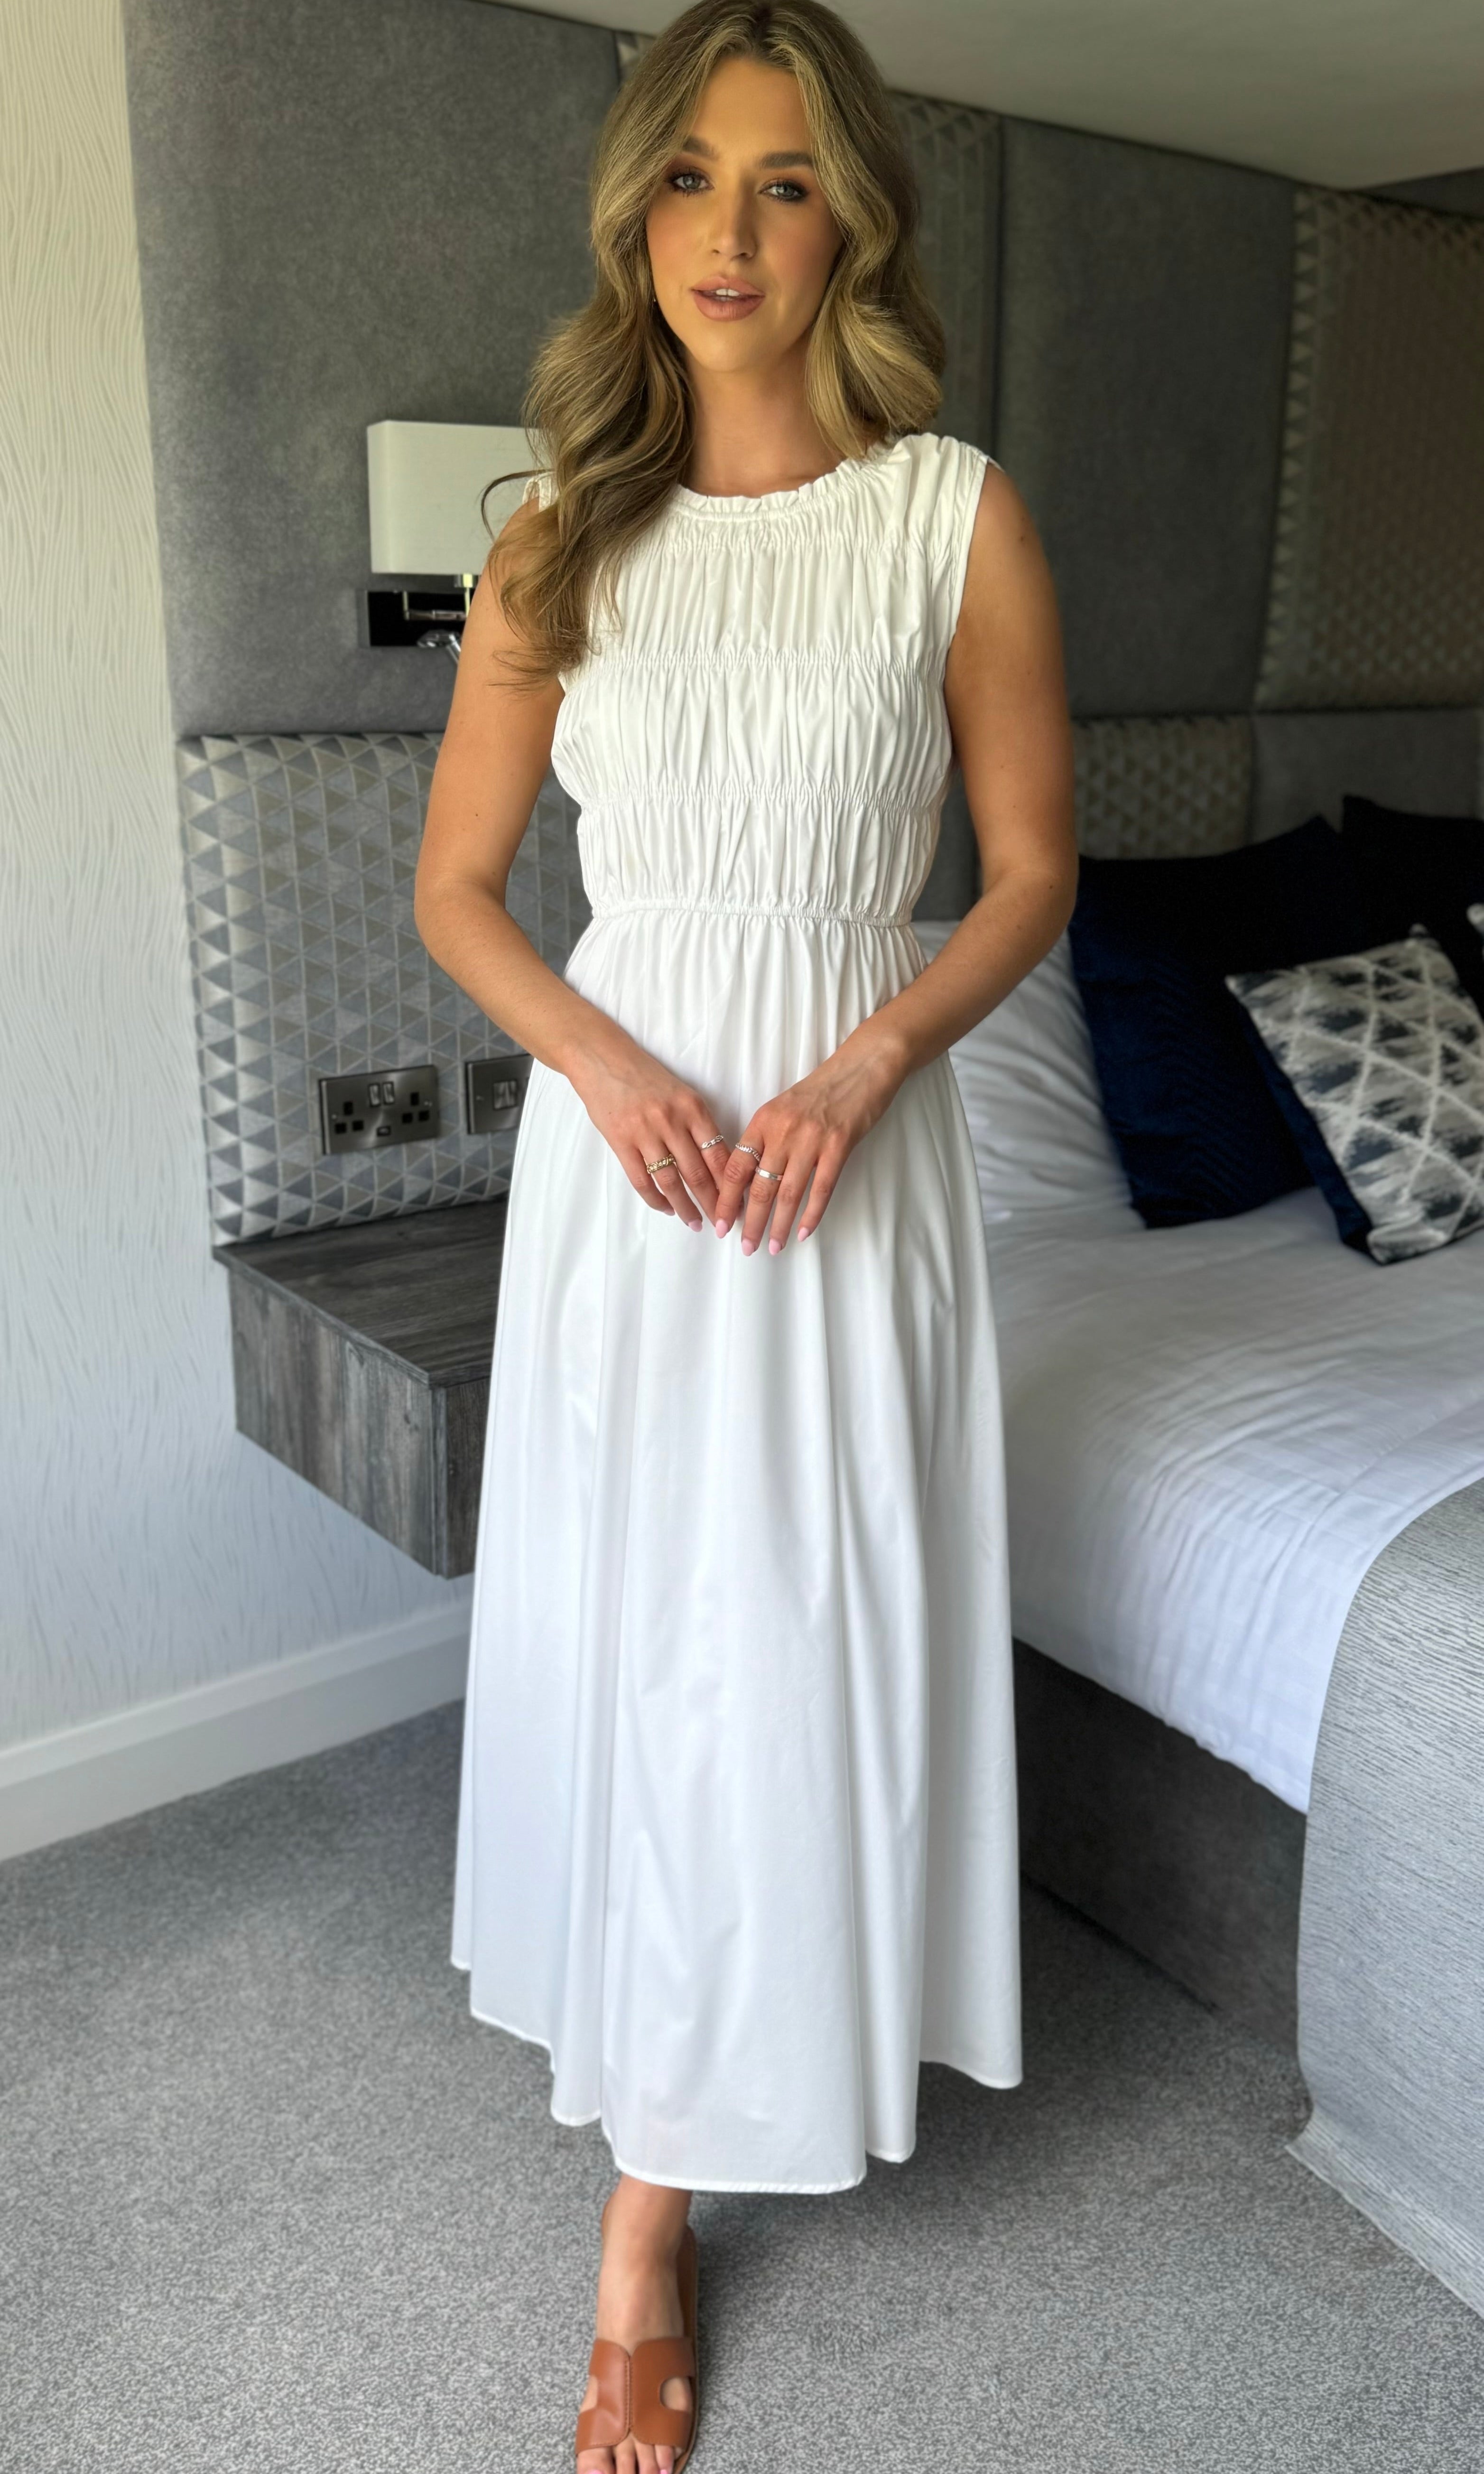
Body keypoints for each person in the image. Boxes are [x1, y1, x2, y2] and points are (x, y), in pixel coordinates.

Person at [414, 3, 1076, 2465]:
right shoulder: (551, 536)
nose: (730, 229)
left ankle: (747, 2081)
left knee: (792, 1633)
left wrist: (870, 1064)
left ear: (849, 225)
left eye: (785, 182)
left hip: (845, 1149)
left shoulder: (954, 518)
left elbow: (1028, 877)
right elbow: (460, 891)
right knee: (646, 1629)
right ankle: (645, 2217)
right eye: (688, 176)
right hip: (629, 1168)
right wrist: (599, 1070)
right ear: (635, 218)